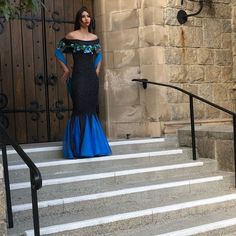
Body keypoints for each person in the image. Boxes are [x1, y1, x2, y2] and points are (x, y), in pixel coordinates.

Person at [55, 6, 112, 159]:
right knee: (80, 109)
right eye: (83, 16)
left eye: (88, 16)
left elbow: (99, 55)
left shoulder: (95, 38)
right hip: (78, 78)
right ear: (79, 19)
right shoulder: (72, 36)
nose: (87, 19)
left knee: (91, 110)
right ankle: (78, 148)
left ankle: (93, 148)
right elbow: (58, 51)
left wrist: (97, 70)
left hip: (91, 79)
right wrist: (66, 70)